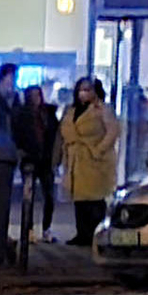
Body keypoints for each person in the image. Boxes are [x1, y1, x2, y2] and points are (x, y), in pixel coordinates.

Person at [61, 77, 122, 247]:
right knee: (80, 200)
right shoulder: (71, 110)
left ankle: (95, 234)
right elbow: (65, 131)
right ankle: (82, 233)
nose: (84, 93)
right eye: (81, 89)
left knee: (94, 200)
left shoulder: (103, 110)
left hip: (95, 161)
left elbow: (113, 131)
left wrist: (98, 150)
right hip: (76, 160)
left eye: (88, 89)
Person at [13, 81, 61, 239]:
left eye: (38, 95)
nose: (36, 99)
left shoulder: (48, 114)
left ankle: (47, 229)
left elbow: (55, 135)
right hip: (29, 159)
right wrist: (21, 152)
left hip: (46, 160)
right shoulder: (21, 115)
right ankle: (29, 229)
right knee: (29, 197)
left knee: (49, 196)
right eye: (32, 96)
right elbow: (17, 135)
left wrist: (56, 156)